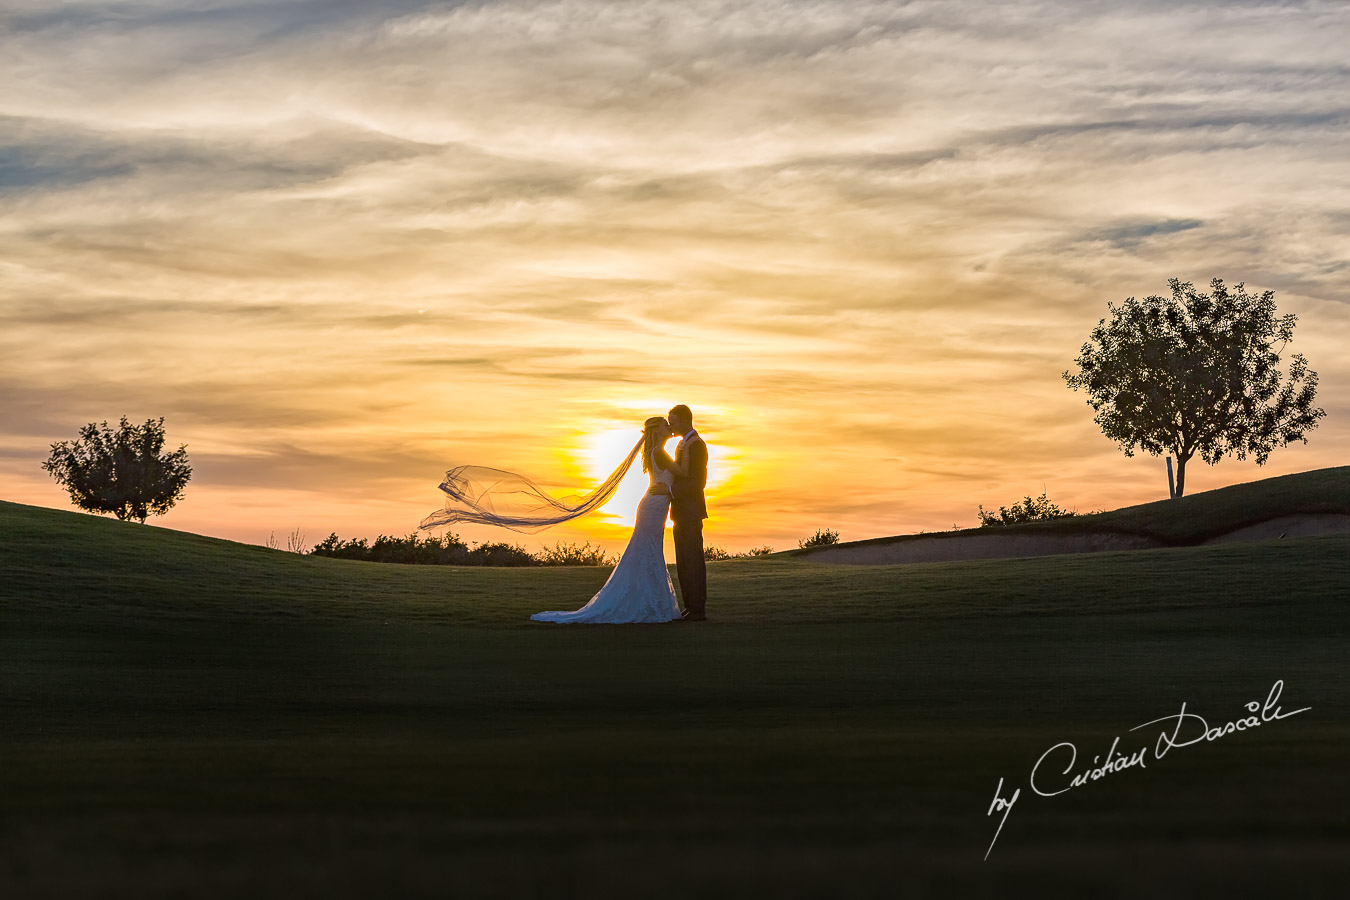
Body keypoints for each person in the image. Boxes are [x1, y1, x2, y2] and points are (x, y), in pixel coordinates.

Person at [530, 417, 684, 624]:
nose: (669, 427)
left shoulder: (655, 451)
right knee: (649, 550)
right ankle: (648, 603)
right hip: (654, 505)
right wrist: (686, 452)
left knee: (649, 550)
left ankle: (650, 601)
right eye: (666, 424)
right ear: (657, 430)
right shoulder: (659, 452)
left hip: (655, 504)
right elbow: (683, 473)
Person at [653, 404, 709, 621]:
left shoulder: (697, 445)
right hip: (679, 511)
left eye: (673, 422)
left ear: (685, 420)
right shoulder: (681, 444)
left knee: (693, 559)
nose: (671, 426)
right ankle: (690, 606)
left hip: (691, 511)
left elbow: (697, 483)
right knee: (683, 561)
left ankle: (698, 608)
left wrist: (668, 490)